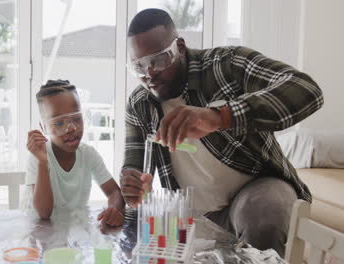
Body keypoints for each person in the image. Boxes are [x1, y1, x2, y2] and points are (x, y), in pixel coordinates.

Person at [120, 9, 323, 256]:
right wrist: (132, 190)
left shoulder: (225, 66)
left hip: (258, 188)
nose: (149, 73)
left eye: (159, 60)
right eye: (139, 66)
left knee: (262, 215)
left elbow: (307, 90)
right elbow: (134, 170)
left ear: (180, 47)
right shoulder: (140, 103)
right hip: (196, 215)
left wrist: (221, 117)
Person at [26, 80, 125, 227]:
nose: (71, 128)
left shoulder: (88, 154)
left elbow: (114, 192)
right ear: (43, 126)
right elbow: (44, 214)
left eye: (77, 119)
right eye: (59, 123)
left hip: (73, 230)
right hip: (40, 232)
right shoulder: (38, 157)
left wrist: (114, 209)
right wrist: (42, 162)